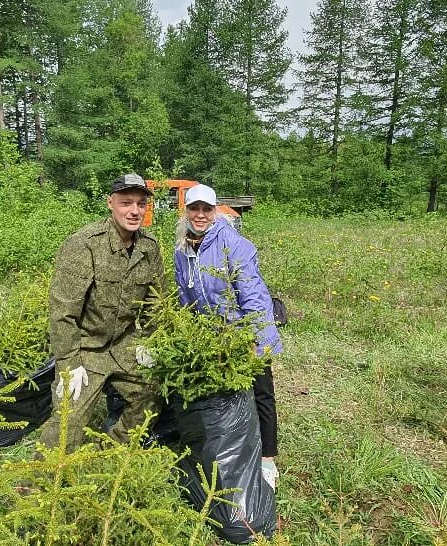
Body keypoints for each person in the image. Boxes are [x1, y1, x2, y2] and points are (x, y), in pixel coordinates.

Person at [38, 173, 165, 451]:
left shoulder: (149, 247)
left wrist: (152, 342)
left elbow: (156, 302)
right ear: (110, 203)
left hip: (124, 344)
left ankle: (111, 452)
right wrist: (69, 363)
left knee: (157, 389)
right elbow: (63, 311)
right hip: (86, 348)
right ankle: (40, 482)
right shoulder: (84, 244)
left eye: (141, 204)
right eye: (126, 202)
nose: (134, 211)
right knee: (66, 422)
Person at [172, 184, 282, 489]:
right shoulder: (182, 250)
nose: (200, 215)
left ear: (215, 211)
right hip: (211, 336)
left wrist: (256, 340)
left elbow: (254, 296)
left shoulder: (234, 244)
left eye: (206, 209)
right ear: (187, 211)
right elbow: (185, 295)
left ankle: (268, 460)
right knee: (224, 396)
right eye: (194, 209)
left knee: (261, 391)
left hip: (243, 331)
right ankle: (228, 451)